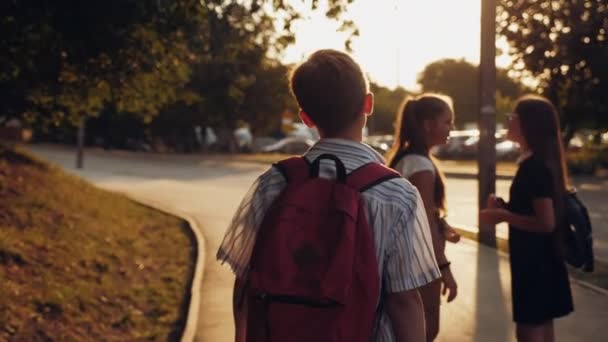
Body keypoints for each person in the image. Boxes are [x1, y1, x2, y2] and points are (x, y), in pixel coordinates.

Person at [217, 49, 440, 342]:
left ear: (306, 118)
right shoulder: (396, 194)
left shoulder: (273, 184)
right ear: (368, 104)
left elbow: (245, 286)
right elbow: (405, 300)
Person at [480, 95, 574, 342]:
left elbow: (546, 222)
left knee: (530, 329)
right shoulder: (539, 162)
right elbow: (534, 212)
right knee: (542, 324)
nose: (509, 120)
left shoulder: (534, 167)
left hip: (535, 264)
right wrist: (506, 208)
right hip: (541, 260)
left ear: (528, 124)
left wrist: (502, 215)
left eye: (514, 117)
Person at [386, 94, 459, 342]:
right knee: (426, 330)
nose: (451, 128)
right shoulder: (421, 166)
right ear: (428, 125)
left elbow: (418, 212)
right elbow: (424, 222)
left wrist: (445, 226)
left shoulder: (406, 158)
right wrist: (444, 268)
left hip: (405, 259)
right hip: (420, 263)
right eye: (447, 122)